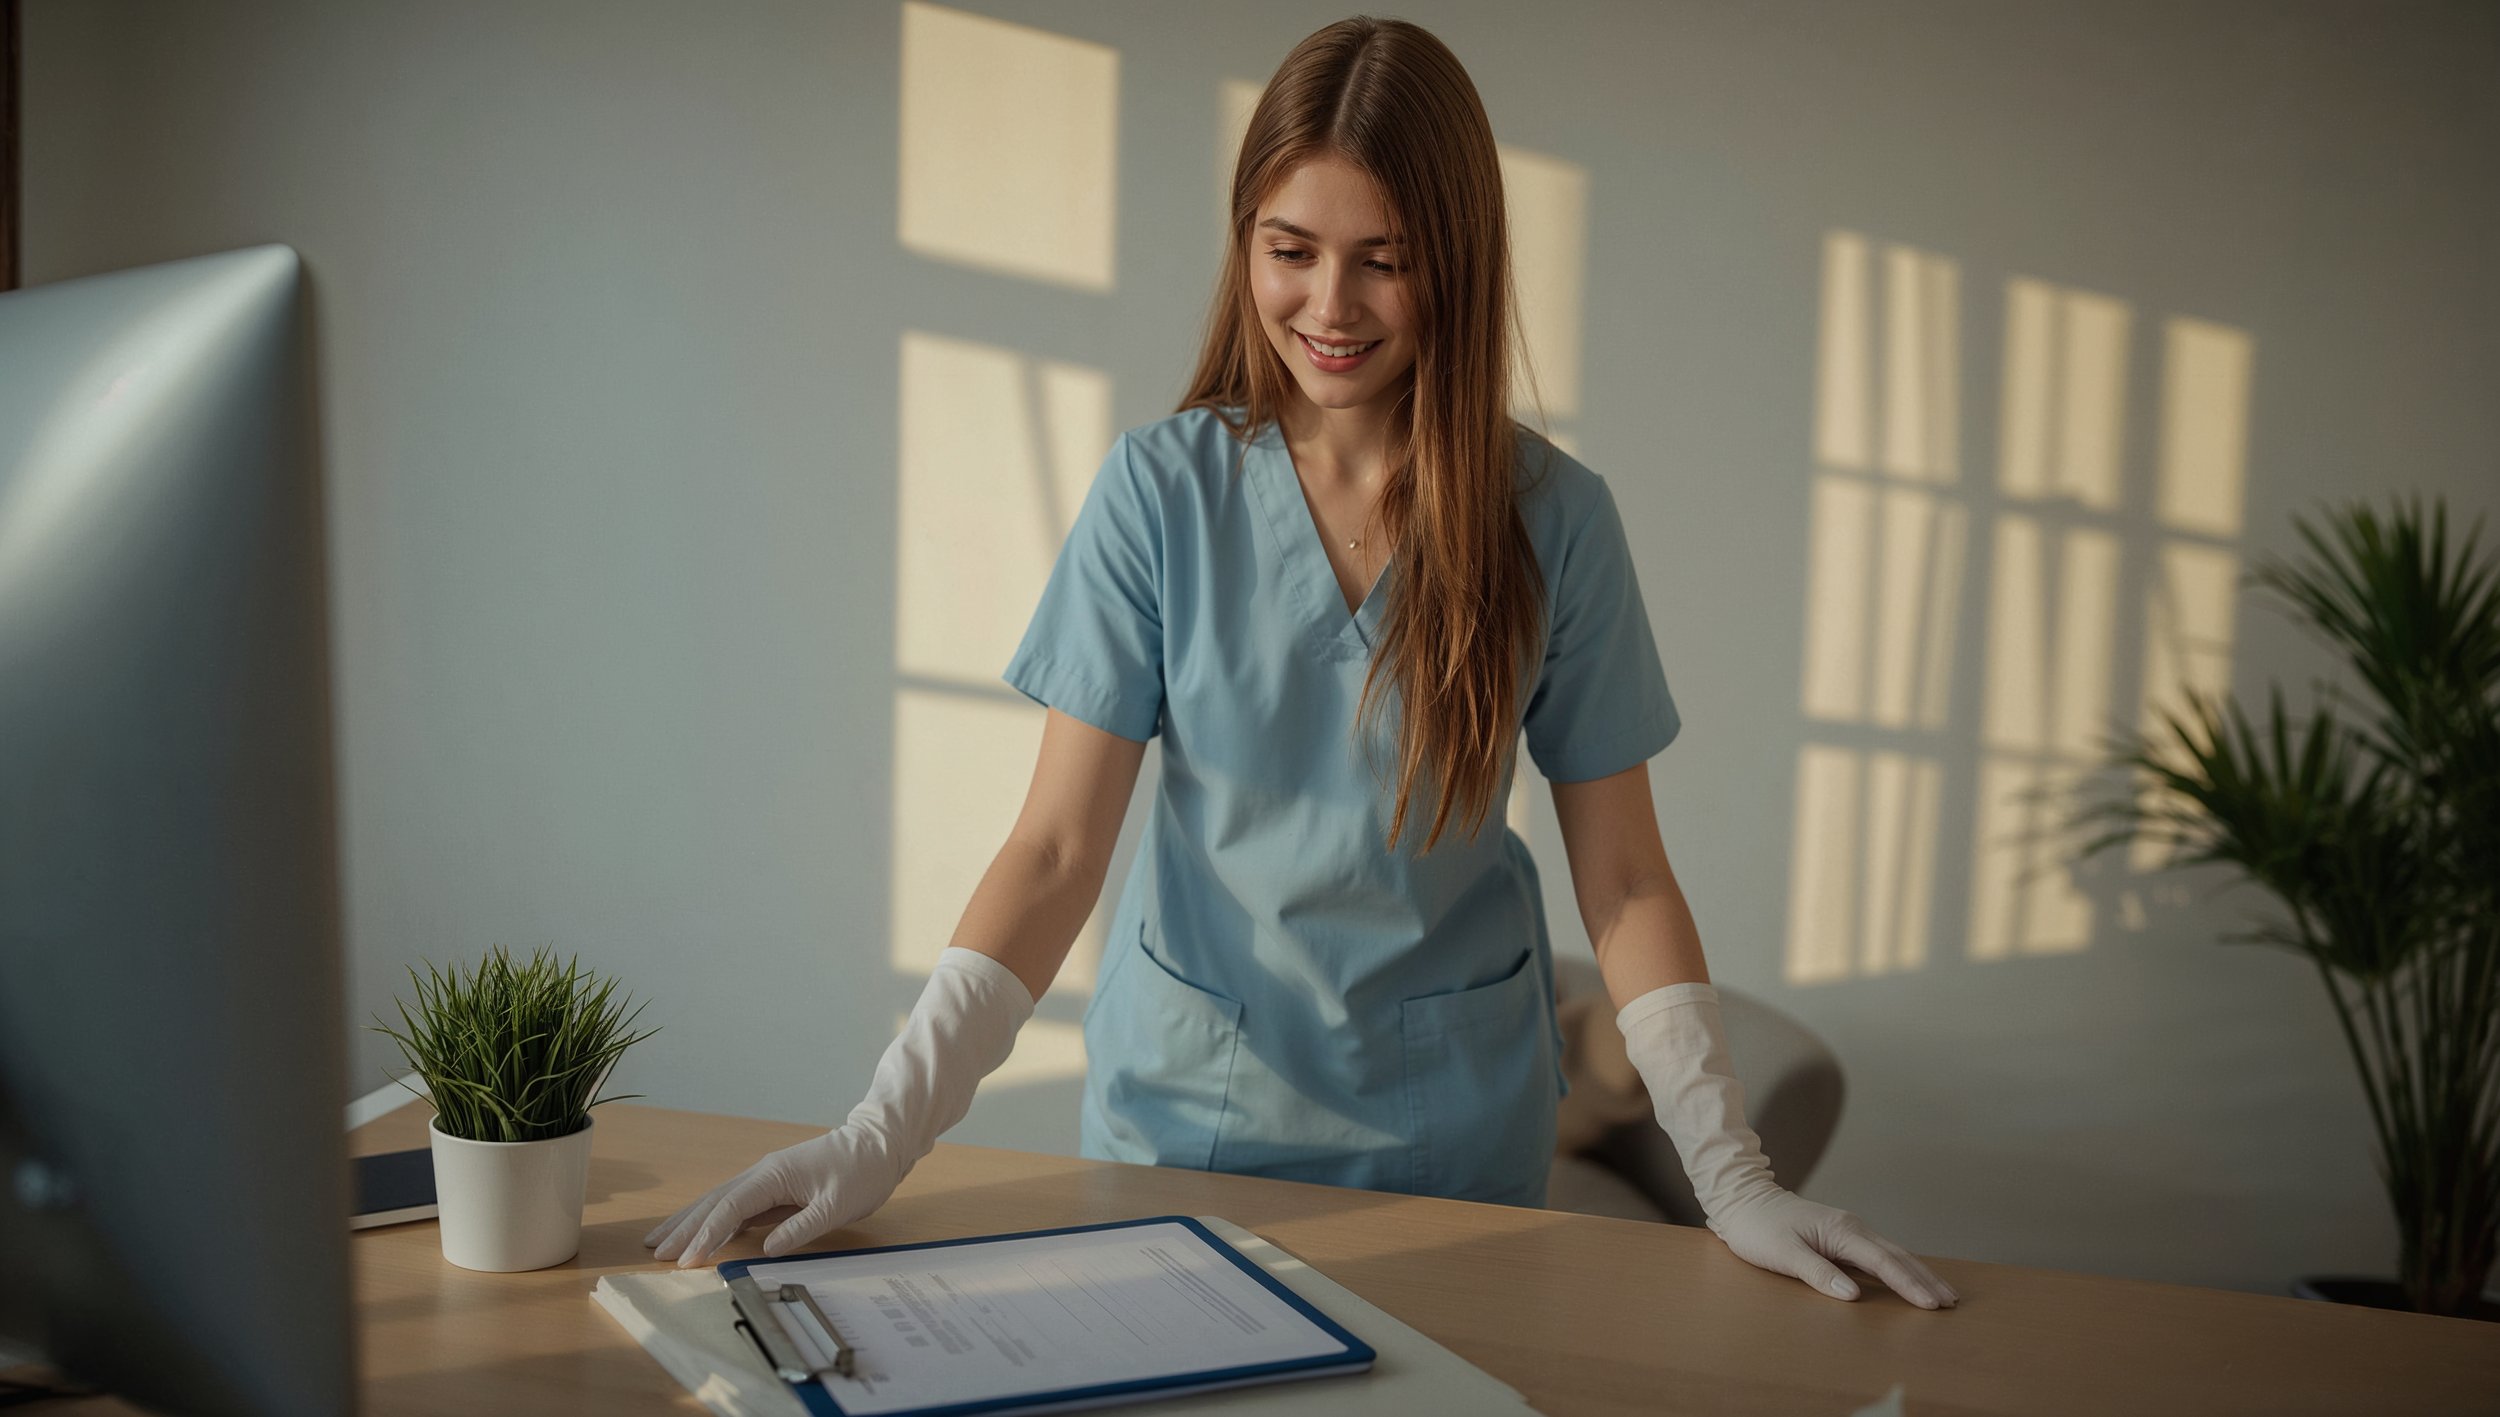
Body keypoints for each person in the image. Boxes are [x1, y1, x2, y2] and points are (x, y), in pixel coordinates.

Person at [647, 15, 1957, 1311]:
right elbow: (1053, 851)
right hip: (1186, 1122)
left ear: (1457, 259)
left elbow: (1623, 877)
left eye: (1383, 261)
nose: (1329, 307)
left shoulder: (1554, 518)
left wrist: (1734, 1178)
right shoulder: (1160, 493)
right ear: (1246, 247)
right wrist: (877, 1135)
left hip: (1457, 1149)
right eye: (1292, 251)